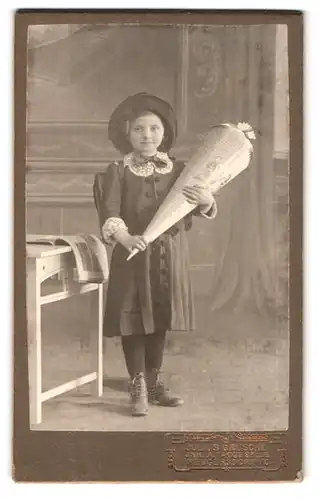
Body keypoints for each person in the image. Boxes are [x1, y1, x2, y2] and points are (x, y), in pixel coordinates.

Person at [93, 92, 217, 417]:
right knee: (132, 319)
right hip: (132, 254)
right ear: (127, 133)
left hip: (168, 256)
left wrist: (205, 198)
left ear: (165, 133)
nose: (147, 136)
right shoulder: (117, 170)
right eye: (139, 129)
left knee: (159, 317)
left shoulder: (179, 169)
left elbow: (197, 205)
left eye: (154, 129)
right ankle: (137, 385)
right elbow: (109, 211)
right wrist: (124, 237)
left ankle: (153, 381)